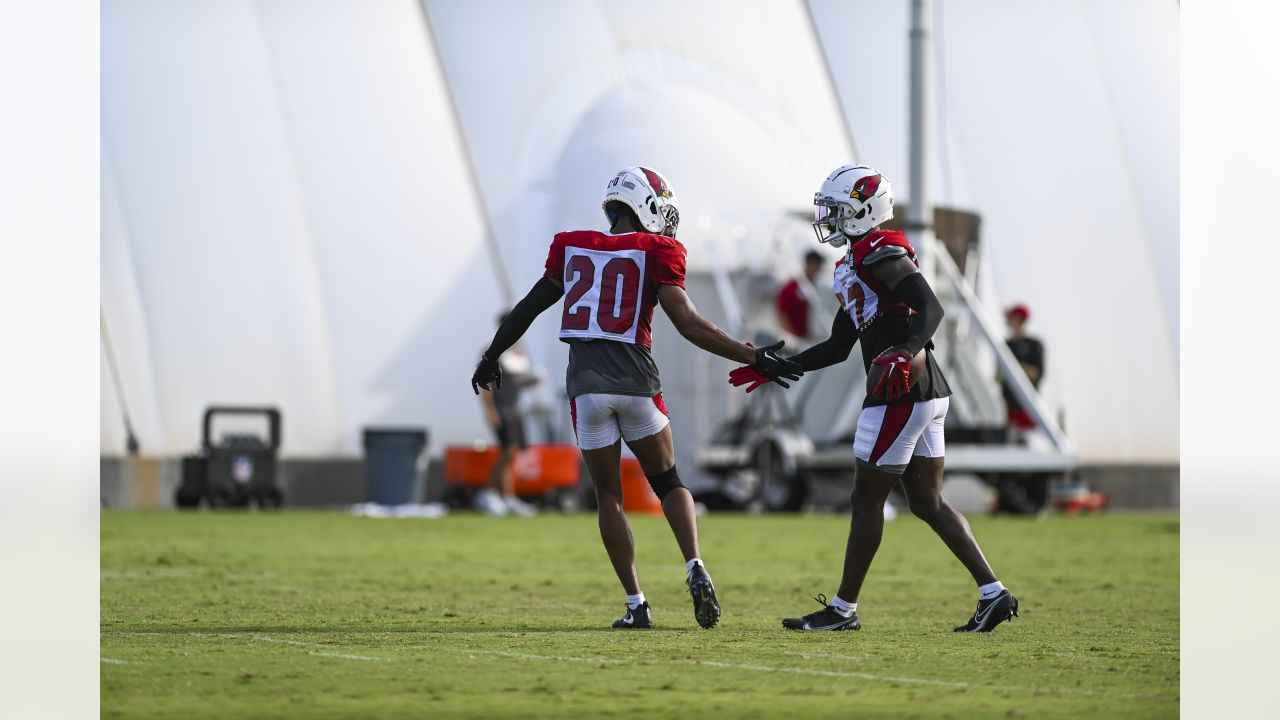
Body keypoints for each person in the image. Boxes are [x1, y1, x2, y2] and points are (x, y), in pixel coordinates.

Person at [471, 166, 802, 630]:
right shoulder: (659, 250)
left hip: (587, 389)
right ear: (646, 205)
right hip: (637, 383)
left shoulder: (571, 246)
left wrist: (492, 355)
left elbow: (527, 307)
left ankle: (636, 603)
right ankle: (694, 565)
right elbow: (688, 322)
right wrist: (753, 356)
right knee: (668, 482)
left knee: (610, 496)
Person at [730, 164, 1019, 633]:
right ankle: (994, 594)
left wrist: (902, 352)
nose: (830, 218)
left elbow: (931, 307)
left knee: (866, 502)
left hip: (901, 394)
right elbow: (838, 346)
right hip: (924, 393)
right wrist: (778, 364)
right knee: (927, 502)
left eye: (839, 210)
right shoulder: (854, 263)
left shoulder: (879, 251)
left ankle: (843, 611)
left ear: (864, 211)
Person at [474, 317, 541, 517]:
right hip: (502, 410)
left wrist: (533, 381)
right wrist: (490, 410)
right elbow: (484, 383)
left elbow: (514, 384)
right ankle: (490, 493)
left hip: (515, 411)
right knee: (508, 451)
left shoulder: (516, 355)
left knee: (512, 454)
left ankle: (506, 496)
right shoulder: (493, 351)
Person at [1002, 303, 1044, 433]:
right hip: (1009, 407)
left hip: (1028, 408)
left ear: (1019, 319)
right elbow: (998, 377)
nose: (1007, 320)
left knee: (1028, 441)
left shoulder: (1034, 345)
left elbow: (1037, 373)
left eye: (1011, 317)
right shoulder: (1005, 345)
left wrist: (1015, 366)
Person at [775, 250, 825, 339]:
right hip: (792, 338)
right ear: (809, 264)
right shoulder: (792, 287)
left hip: (805, 337)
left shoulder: (815, 289)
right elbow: (782, 312)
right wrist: (790, 335)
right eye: (816, 266)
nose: (817, 270)